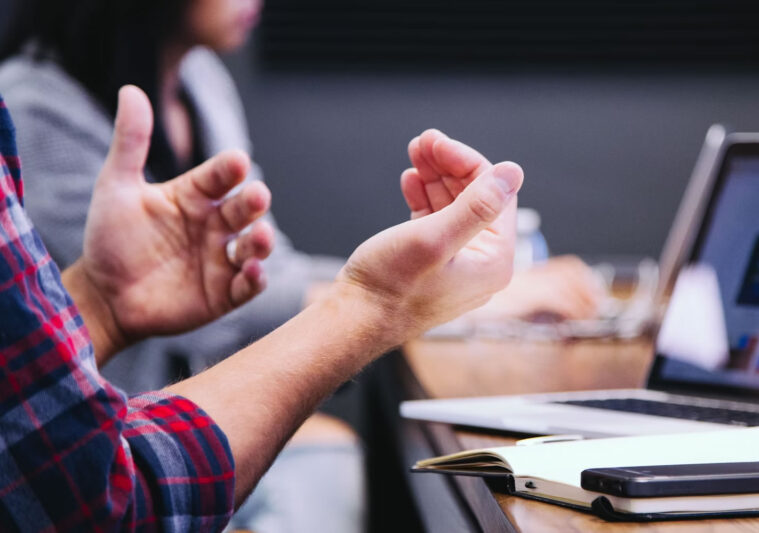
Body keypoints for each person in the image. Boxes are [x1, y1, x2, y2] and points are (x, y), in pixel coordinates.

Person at [0, 82, 524, 530]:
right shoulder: (36, 103)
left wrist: (98, 303)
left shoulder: (203, 80)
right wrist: (372, 305)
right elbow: (101, 502)